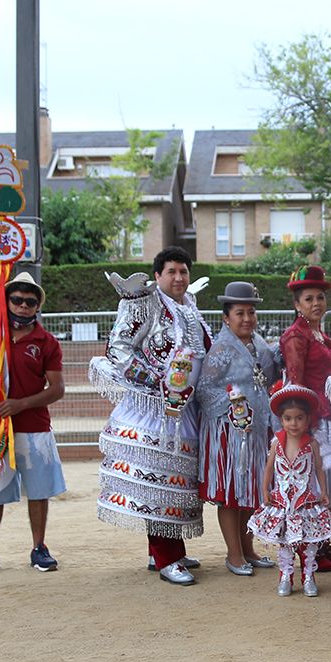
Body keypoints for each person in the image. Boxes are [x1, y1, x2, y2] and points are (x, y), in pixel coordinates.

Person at [90, 246, 211, 586]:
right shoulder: (144, 303)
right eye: (171, 271)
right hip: (153, 410)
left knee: (174, 482)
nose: (179, 278)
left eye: (183, 271)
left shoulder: (189, 307)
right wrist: (157, 383)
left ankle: (163, 551)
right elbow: (118, 349)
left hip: (183, 410)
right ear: (157, 276)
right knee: (158, 480)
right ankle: (166, 557)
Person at [0, 271, 67, 578]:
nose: (23, 306)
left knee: (38, 491)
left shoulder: (46, 342)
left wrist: (21, 404)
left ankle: (39, 547)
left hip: (34, 426)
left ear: (38, 306)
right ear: (7, 301)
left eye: (30, 302)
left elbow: (57, 389)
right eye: (17, 300)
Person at [278, 265, 331, 571]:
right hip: (314, 420)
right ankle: (309, 549)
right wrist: (303, 426)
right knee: (314, 480)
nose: (316, 303)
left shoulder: (318, 334)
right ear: (297, 304)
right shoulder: (295, 336)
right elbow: (296, 382)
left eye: (320, 297)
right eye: (309, 299)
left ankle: (324, 544)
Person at [196, 281, 280, 576]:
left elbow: (269, 375)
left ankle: (248, 548)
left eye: (251, 313)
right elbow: (204, 390)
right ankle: (234, 554)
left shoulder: (259, 344)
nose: (247, 319)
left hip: (255, 429)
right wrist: (234, 403)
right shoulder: (221, 349)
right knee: (231, 493)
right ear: (226, 318)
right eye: (240, 313)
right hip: (229, 433)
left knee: (251, 490)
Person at [248, 385, 331, 597]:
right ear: (281, 420)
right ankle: (286, 576)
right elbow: (269, 468)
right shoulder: (277, 443)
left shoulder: (312, 444)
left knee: (308, 542)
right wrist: (265, 490)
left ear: (307, 420)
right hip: (282, 502)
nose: (293, 423)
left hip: (305, 501)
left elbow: (319, 469)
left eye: (299, 418)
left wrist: (324, 491)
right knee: (285, 542)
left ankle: (308, 576)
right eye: (288, 418)